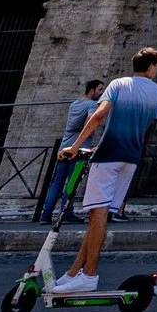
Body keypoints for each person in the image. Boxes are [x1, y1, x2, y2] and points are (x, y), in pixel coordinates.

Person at [54, 46, 157, 293]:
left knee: (97, 213)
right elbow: (149, 122)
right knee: (100, 217)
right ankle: (74, 272)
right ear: (151, 66)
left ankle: (90, 275)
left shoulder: (118, 84)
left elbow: (98, 116)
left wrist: (74, 147)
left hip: (109, 154)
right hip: (132, 157)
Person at [42, 80, 106, 220]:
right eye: (100, 90)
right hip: (79, 149)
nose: (102, 93)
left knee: (57, 182)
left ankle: (45, 215)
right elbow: (91, 120)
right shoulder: (91, 104)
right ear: (92, 90)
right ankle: (66, 213)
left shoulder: (75, 104)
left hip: (64, 147)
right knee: (72, 181)